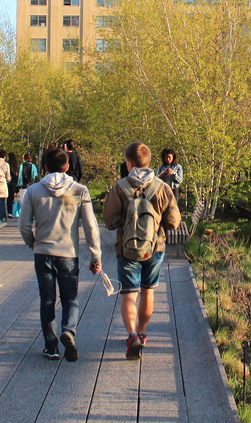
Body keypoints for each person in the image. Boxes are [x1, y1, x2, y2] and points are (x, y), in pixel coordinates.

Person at [20, 148, 102, 362]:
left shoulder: (33, 191)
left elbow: (24, 224)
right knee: (70, 298)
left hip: (43, 253)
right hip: (68, 253)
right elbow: (91, 226)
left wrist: (33, 243)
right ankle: (69, 330)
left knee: (47, 300)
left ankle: (51, 347)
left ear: (45, 167)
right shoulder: (79, 190)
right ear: (67, 167)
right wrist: (96, 255)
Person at [103, 142, 181, 360]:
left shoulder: (119, 187)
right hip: (154, 247)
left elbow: (109, 220)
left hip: (126, 249)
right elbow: (174, 222)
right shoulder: (162, 187)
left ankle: (131, 336)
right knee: (148, 290)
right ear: (148, 162)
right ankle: (143, 332)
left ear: (129, 163)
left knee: (129, 293)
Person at [7, 152, 20, 218]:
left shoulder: (7, 164)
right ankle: (12, 211)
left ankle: (9, 211)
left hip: (8, 182)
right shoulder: (17, 166)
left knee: (8, 198)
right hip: (14, 183)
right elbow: (18, 176)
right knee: (12, 198)